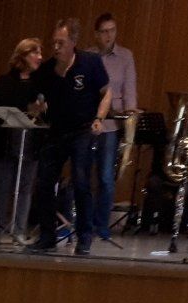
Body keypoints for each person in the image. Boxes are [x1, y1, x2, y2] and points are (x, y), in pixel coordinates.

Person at [27, 19, 113, 256]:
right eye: (54, 43)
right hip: (56, 130)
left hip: (82, 130)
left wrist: (99, 118)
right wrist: (36, 107)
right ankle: (47, 236)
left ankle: (85, 236)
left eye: (61, 43)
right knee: (44, 182)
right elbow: (34, 103)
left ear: (73, 42)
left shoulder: (90, 63)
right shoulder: (46, 71)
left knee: (81, 180)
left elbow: (107, 93)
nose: (56, 47)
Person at [80, 13, 139, 246]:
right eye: (104, 31)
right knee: (84, 175)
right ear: (96, 34)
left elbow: (129, 89)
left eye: (112, 30)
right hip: (88, 122)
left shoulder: (125, 56)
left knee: (106, 177)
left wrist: (130, 115)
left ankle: (101, 225)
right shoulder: (87, 55)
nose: (108, 35)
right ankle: (83, 222)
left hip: (112, 124)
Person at [0, 40, 44, 242]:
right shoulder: (4, 83)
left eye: (40, 53)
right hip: (5, 142)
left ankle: (18, 230)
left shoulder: (41, 84)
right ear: (23, 55)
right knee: (1, 188)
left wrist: (41, 108)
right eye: (35, 53)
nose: (40, 57)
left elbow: (44, 113)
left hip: (31, 143)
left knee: (25, 188)